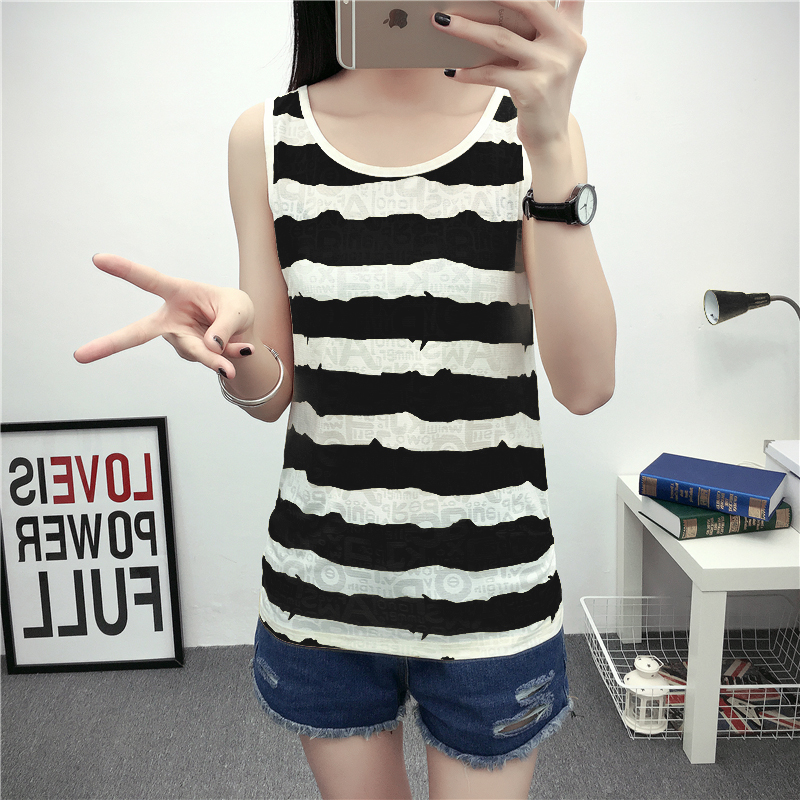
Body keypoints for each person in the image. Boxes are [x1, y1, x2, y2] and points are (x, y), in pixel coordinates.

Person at [75, 1, 616, 797]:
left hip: (491, 595)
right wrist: (232, 350)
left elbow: (586, 384)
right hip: (322, 591)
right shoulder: (265, 137)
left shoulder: (534, 131)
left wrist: (551, 144)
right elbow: (273, 393)